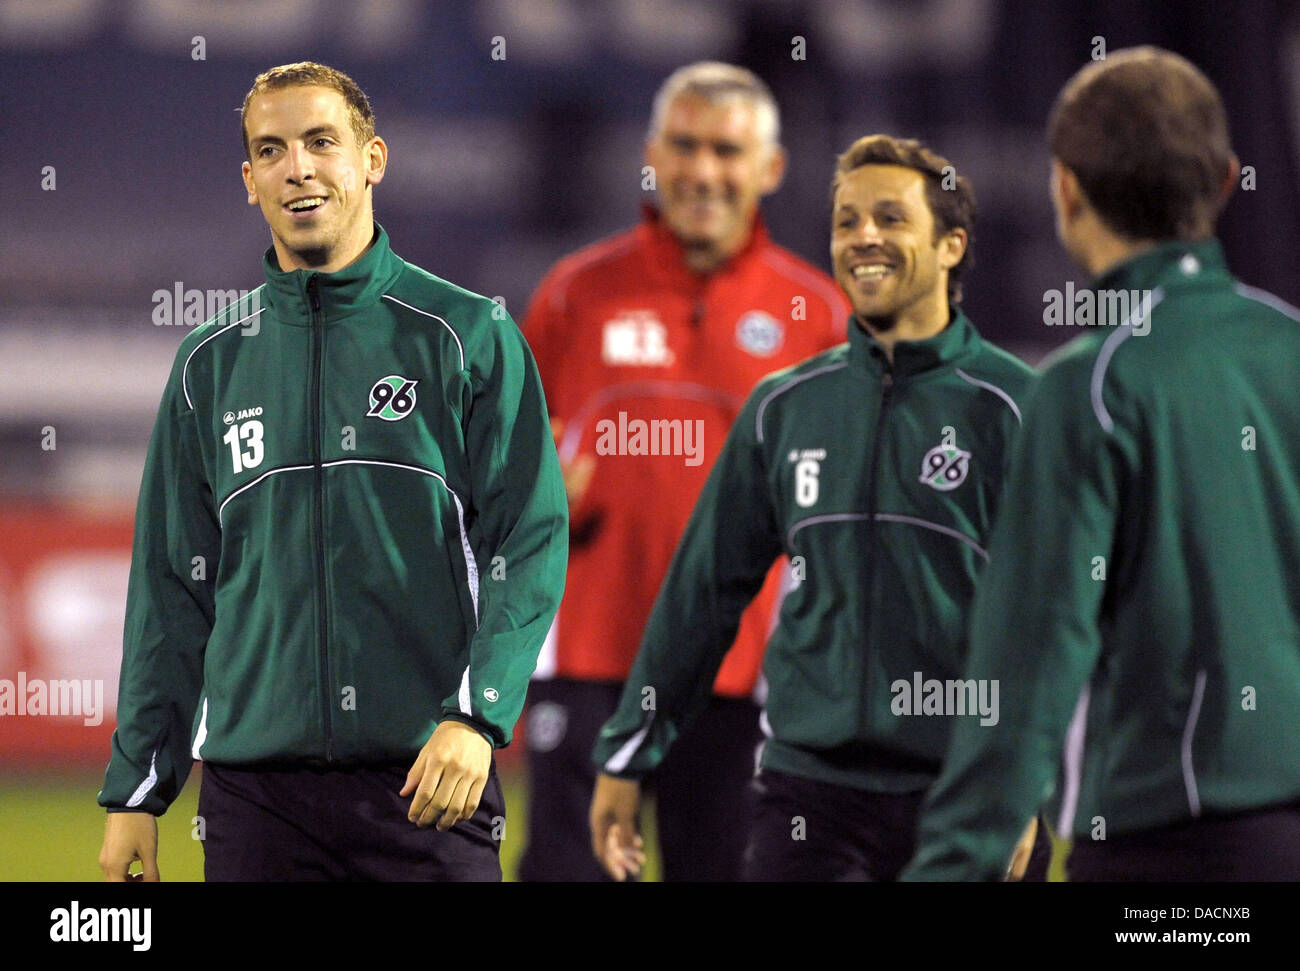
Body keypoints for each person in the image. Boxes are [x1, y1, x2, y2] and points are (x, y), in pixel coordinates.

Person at [96, 62, 567, 882]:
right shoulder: (207, 365)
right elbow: (172, 588)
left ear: (372, 159)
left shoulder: (466, 336)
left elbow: (529, 540)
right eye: (271, 151)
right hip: (255, 804)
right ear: (250, 180)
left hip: (429, 783)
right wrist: (139, 789)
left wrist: (478, 716)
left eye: (321, 142)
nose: (299, 168)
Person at [590, 133, 1045, 882]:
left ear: (952, 245)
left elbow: (1055, 618)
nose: (863, 237)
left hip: (965, 794)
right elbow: (699, 597)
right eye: (847, 221)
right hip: (811, 801)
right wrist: (628, 749)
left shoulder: (1018, 408)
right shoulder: (784, 408)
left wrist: (1022, 776)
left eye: (891, 219)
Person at [903, 46, 1300, 882]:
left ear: (1065, 190)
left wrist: (952, 860)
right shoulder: (1289, 348)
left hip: (1168, 858)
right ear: (1226, 181)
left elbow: (1028, 666)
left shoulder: (1089, 389)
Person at [517, 62, 849, 882]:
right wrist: (533, 497)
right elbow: (504, 474)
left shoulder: (818, 317)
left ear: (769, 169)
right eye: (687, 146)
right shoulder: (574, 294)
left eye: (729, 151)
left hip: (740, 674)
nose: (705, 172)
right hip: (592, 660)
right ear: (653, 156)